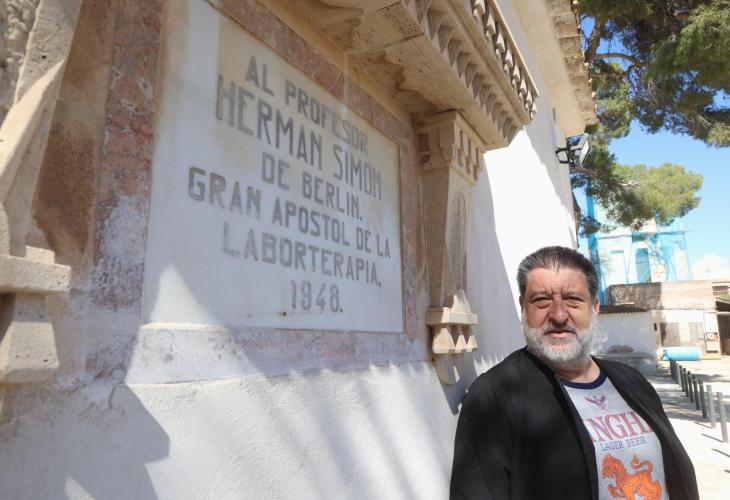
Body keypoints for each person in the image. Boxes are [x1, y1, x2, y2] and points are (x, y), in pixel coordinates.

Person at [450, 246, 698, 500]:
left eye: (573, 299)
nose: (559, 315)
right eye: (542, 300)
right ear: (523, 307)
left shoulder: (632, 381)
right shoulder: (493, 396)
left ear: (595, 306)